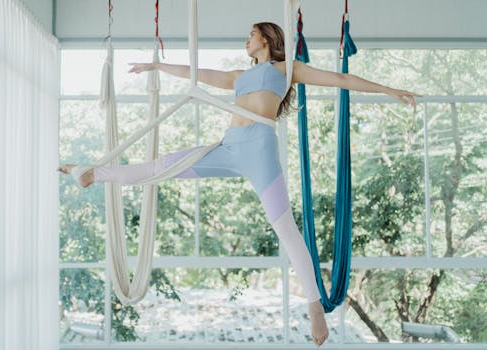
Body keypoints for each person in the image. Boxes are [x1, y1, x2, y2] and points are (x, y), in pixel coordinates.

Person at [58, 22, 419, 346]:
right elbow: (195, 73)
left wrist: (389, 89)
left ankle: (315, 307)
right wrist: (156, 66)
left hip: (259, 150)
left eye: (250, 35)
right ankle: (93, 173)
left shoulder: (287, 69)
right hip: (228, 149)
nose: (246, 40)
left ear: (266, 38)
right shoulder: (237, 76)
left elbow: (340, 80)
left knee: (287, 230)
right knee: (161, 167)